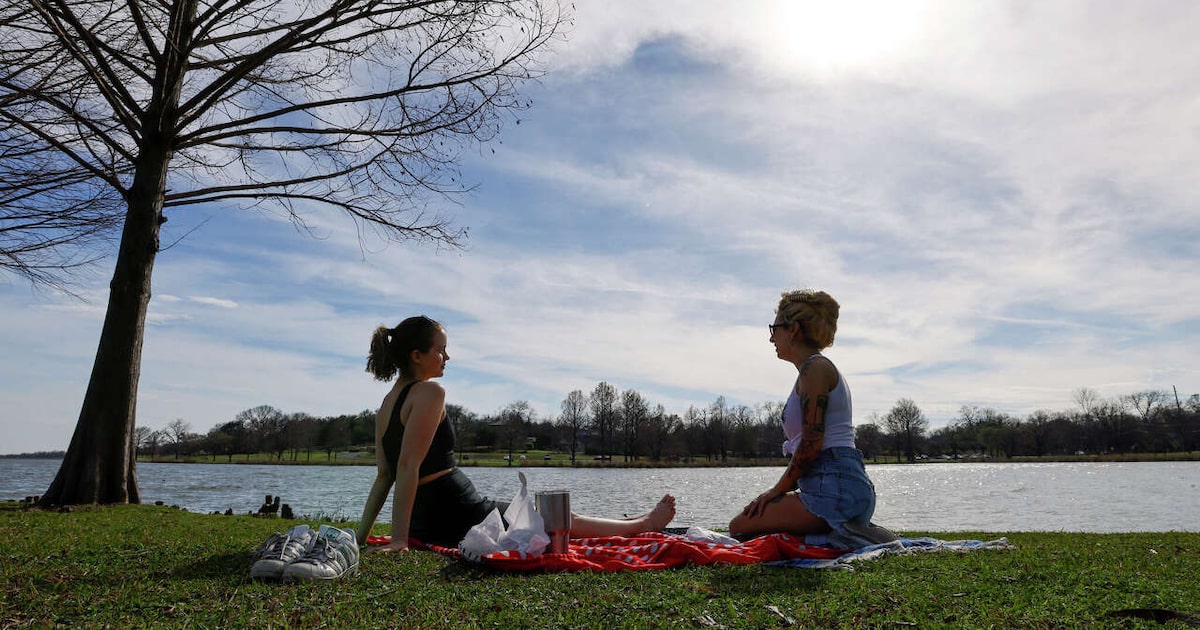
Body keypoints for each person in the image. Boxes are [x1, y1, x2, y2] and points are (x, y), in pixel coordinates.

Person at [356, 315, 676, 553]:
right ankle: (643, 526)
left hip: (431, 520)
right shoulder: (429, 392)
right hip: (457, 510)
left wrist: (361, 536)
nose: (447, 357)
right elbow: (406, 468)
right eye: (441, 350)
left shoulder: (387, 404)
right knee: (555, 519)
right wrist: (398, 540)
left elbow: (384, 475)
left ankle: (632, 521)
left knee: (548, 515)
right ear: (417, 355)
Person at [729, 290, 891, 543]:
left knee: (740, 527)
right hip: (835, 485)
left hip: (835, 489)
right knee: (750, 527)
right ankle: (846, 532)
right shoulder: (812, 370)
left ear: (793, 330)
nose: (772, 338)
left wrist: (775, 491)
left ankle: (858, 533)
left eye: (775, 329)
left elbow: (812, 443)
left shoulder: (814, 369)